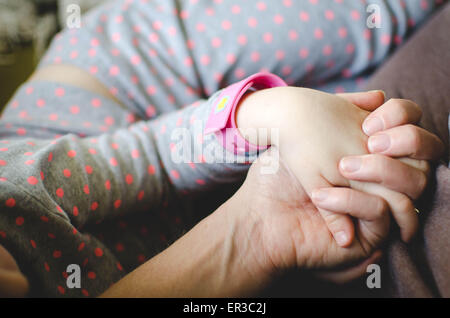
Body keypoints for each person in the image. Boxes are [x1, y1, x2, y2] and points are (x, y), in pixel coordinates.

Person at [0, 0, 445, 297]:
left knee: (373, 19)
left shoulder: (12, 192)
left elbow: (157, 156)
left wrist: (276, 112)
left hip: (144, 67)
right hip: (197, 203)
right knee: (367, 116)